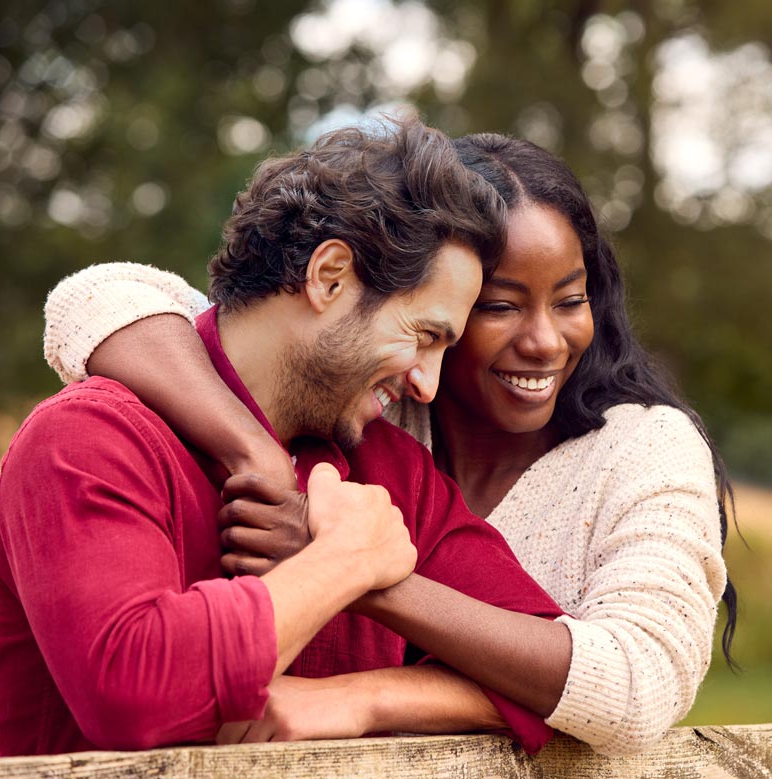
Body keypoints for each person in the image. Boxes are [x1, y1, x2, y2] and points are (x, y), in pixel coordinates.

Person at [43, 130, 736, 756]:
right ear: (330, 278)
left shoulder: (388, 461)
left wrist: (367, 644)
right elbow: (104, 298)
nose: (545, 339)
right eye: (492, 308)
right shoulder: (113, 434)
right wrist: (257, 455)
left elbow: (605, 687)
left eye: (570, 298)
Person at [0, 117, 570, 758]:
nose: (428, 385)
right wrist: (344, 562)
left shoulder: (389, 471)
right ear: (331, 276)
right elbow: (135, 695)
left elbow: (559, 680)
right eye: (425, 335)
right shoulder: (89, 440)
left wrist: (364, 692)